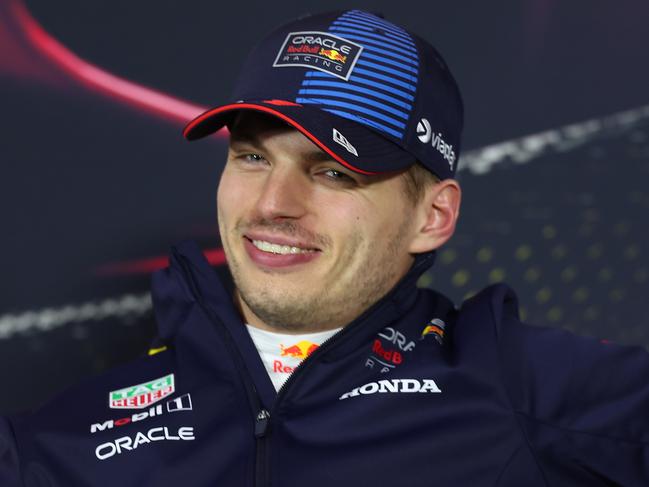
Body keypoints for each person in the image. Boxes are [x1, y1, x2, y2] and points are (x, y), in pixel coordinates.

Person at [1, 9, 648, 486]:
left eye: (333, 170)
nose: (272, 203)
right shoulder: (62, 439)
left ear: (433, 214)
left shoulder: (515, 382)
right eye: (252, 156)